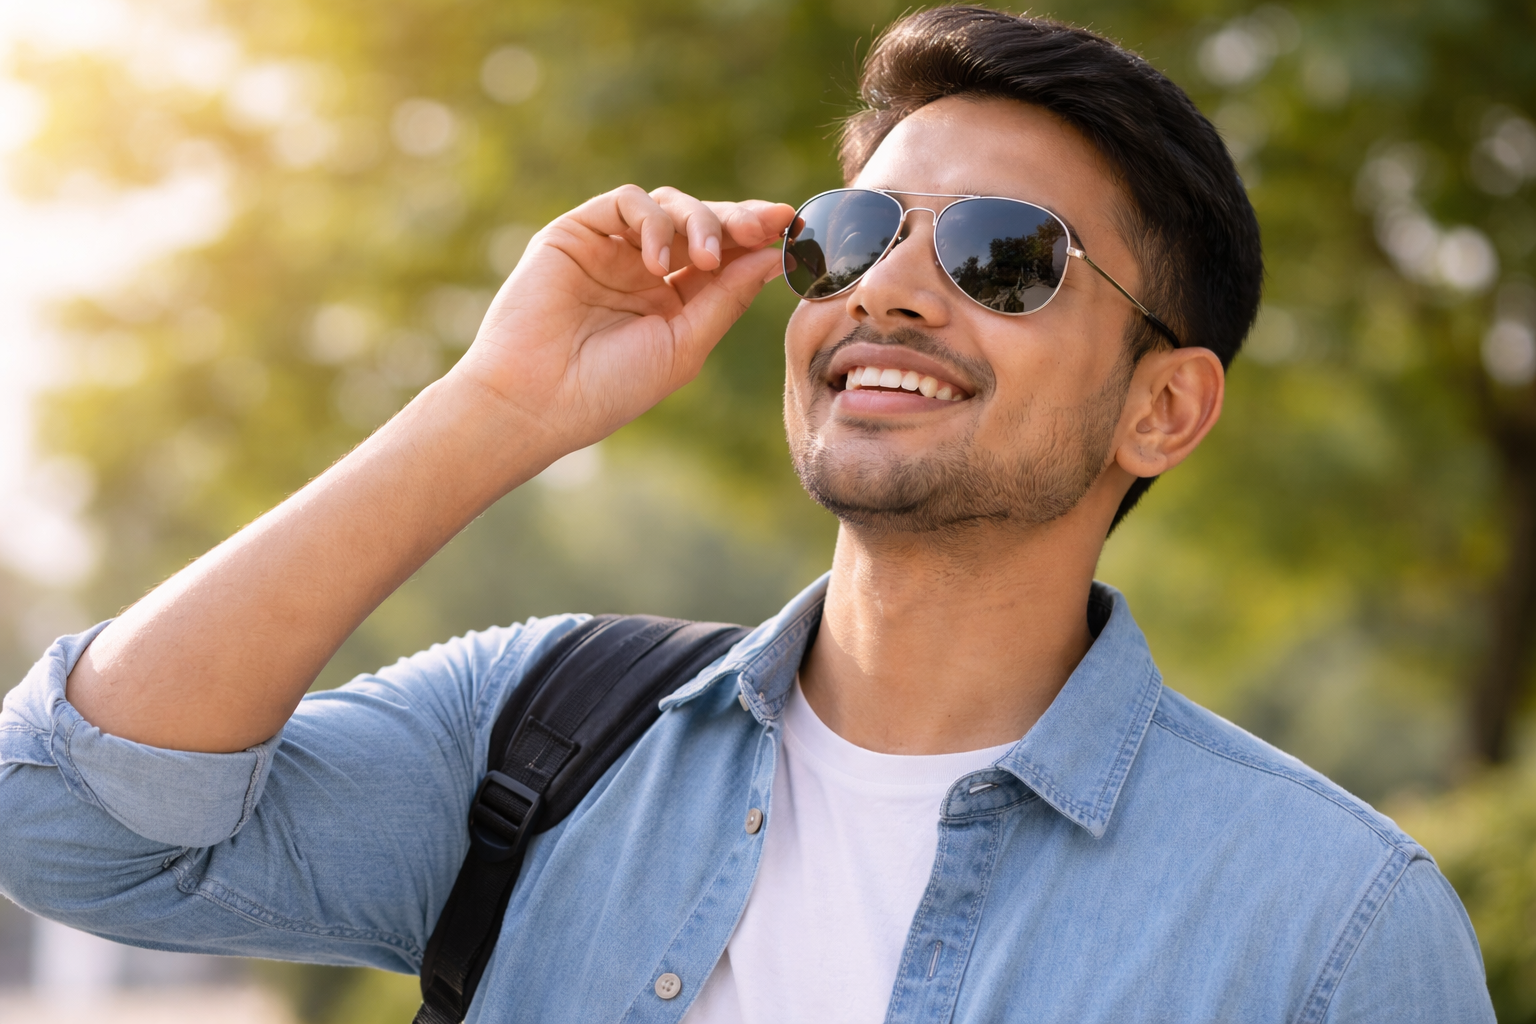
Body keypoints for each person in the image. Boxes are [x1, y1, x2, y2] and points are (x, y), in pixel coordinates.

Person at [0, 7, 1495, 1023]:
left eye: (1001, 256)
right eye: (856, 236)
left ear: (1162, 407)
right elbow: (67, 821)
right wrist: (499, 409)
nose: (890, 291)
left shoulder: (1335, 922)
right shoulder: (537, 740)